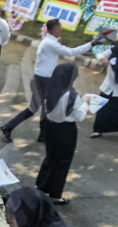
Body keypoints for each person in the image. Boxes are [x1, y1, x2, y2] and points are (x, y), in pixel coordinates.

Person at [0, 18, 101, 142]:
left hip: (43, 79)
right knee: (37, 107)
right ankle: (9, 127)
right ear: (55, 29)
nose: (62, 29)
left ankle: (41, 135)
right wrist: (91, 44)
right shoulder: (50, 43)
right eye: (60, 27)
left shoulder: (49, 41)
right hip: (43, 80)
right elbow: (71, 52)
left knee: (44, 107)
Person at [35, 64, 88, 204]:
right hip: (66, 130)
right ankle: (55, 194)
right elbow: (80, 116)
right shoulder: (71, 95)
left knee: (51, 158)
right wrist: (86, 104)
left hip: (51, 127)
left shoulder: (50, 89)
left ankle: (41, 186)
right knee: (63, 162)